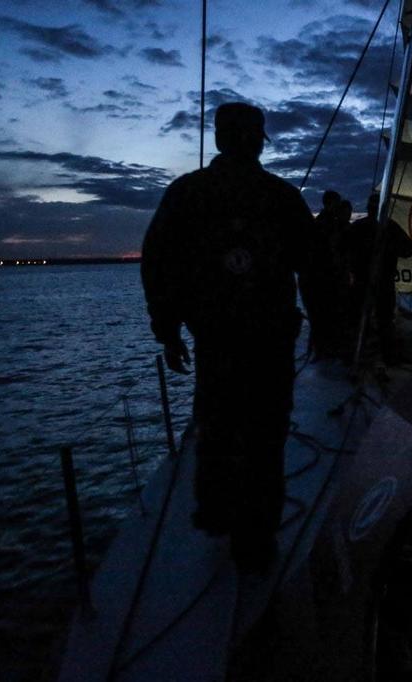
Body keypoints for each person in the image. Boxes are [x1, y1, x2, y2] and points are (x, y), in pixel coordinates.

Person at [140, 102, 314, 571]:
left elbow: (158, 265)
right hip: (267, 345)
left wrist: (168, 330)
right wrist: (322, 326)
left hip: (216, 342)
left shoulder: (186, 194)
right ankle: (254, 540)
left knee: (216, 426)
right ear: (256, 140)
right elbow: (314, 267)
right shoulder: (282, 197)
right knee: (264, 436)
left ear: (219, 140)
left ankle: (216, 515)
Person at [345, 194, 412, 365]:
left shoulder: (371, 227)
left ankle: (362, 354)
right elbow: (409, 249)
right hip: (371, 282)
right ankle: (377, 355)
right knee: (376, 320)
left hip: (374, 281)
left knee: (368, 319)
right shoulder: (386, 227)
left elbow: (409, 249)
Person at [300, 190, 347, 358]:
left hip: (320, 277)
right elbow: (326, 252)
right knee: (322, 314)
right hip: (321, 278)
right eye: (337, 202)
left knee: (321, 315)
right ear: (331, 203)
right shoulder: (326, 224)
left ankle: (321, 348)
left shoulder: (325, 222)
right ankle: (322, 349)